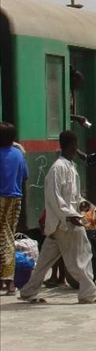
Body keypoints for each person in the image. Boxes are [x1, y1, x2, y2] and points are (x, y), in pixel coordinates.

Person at [19, 131, 96, 304]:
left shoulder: (70, 167)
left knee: (44, 261)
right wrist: (71, 215)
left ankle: (29, 291)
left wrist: (82, 204)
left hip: (60, 224)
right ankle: (88, 293)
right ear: (73, 144)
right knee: (82, 256)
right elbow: (54, 199)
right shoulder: (57, 169)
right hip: (64, 224)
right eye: (75, 144)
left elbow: (72, 196)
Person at [0, 122, 28, 295]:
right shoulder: (18, 154)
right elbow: (25, 175)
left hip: (1, 198)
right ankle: (7, 280)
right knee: (8, 233)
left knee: (5, 238)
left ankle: (9, 280)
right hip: (15, 198)